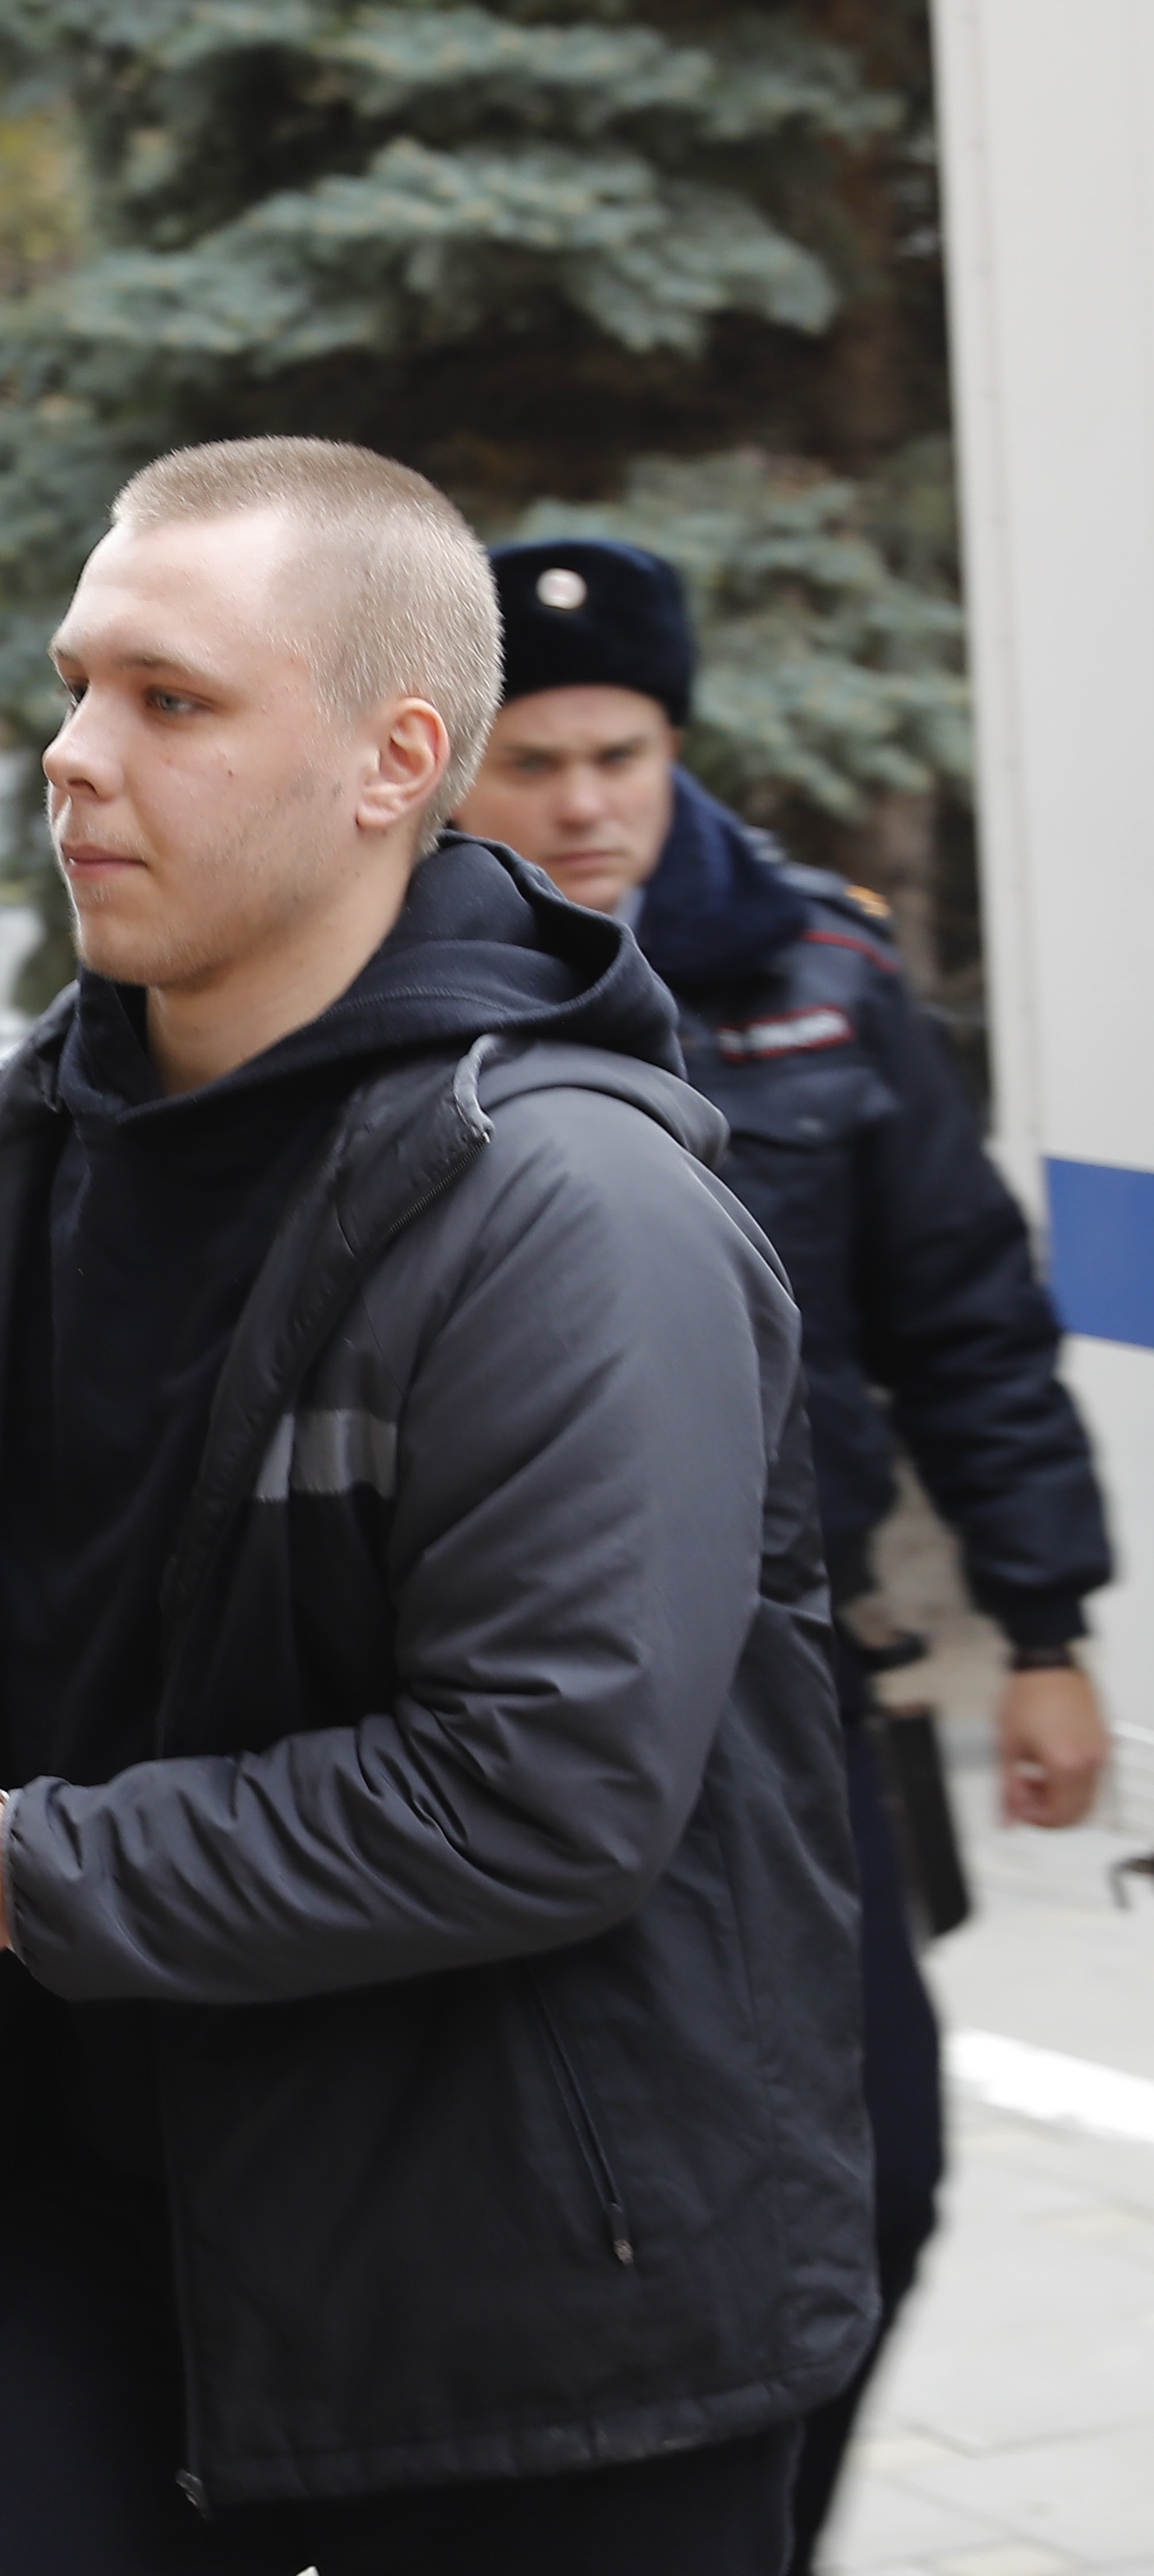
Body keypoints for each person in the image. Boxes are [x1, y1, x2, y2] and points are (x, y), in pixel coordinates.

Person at [0, 439, 876, 2574]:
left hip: (535, 2313)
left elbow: (542, 1784)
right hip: (104, 2225)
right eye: (74, 687)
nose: (72, 759)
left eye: (170, 703)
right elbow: (61, 1604)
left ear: (389, 760)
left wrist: (15, 1874)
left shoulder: (571, 1207)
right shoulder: (16, 1155)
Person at [450, 535, 1116, 2562]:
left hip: (797, 1708)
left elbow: (969, 1320)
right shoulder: (384, 993)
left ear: (672, 749)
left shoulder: (819, 984)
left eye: (619, 755)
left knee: (880, 2170)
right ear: (449, 761)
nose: (580, 804)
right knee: (559, 2204)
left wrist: (1048, 1624)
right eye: (536, 759)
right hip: (501, 1709)